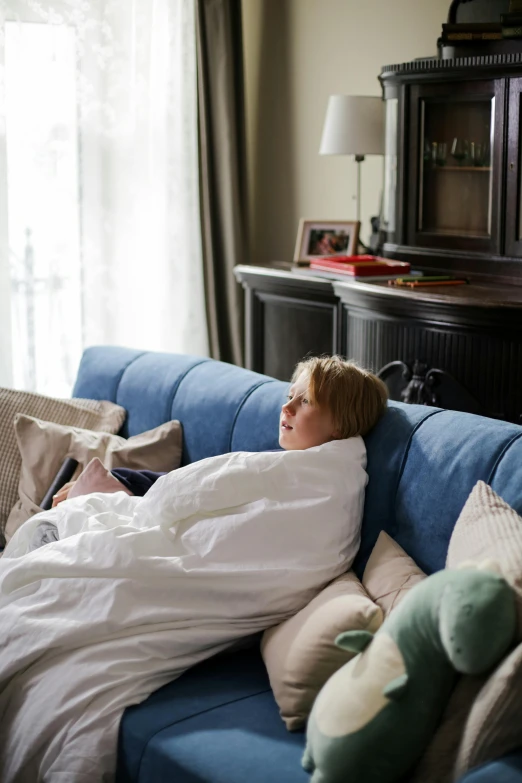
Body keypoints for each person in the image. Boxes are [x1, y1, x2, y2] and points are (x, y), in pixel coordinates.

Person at [52, 355, 389, 504]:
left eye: (307, 402)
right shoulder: (272, 464)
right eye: (289, 397)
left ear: (340, 425)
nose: (286, 408)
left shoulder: (314, 481)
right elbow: (196, 484)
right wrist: (118, 481)